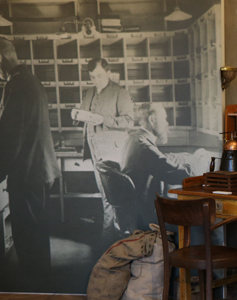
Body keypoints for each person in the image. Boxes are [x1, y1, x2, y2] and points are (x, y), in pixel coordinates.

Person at [0, 37, 61, 268]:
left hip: (27, 175)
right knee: (38, 233)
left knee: (27, 237)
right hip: (41, 171)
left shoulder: (15, 84)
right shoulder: (32, 80)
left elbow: (9, 137)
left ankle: (34, 284)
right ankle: (42, 281)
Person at [77, 58, 134, 243]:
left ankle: (110, 235)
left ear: (108, 73)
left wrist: (103, 120)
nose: (96, 80)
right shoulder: (89, 92)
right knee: (104, 193)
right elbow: (85, 115)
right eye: (92, 77)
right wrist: (77, 115)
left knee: (113, 195)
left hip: (112, 151)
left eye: (100, 76)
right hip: (94, 149)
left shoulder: (120, 92)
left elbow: (129, 121)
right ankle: (112, 233)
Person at [121, 103, 190, 226]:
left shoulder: (135, 138)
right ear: (152, 120)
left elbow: (157, 159)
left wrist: (179, 157)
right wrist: (201, 172)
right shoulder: (144, 146)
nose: (167, 123)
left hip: (135, 209)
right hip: (145, 214)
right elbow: (172, 173)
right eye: (164, 119)